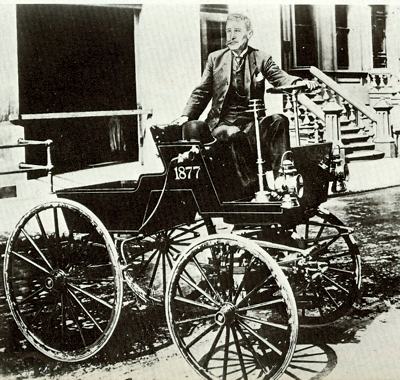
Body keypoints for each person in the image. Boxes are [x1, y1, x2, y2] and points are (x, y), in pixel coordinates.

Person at [172, 13, 318, 187]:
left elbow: (281, 78)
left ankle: (283, 179)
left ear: (249, 34)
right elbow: (202, 91)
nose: (231, 36)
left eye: (237, 31)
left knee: (280, 120)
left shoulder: (261, 58)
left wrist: (300, 82)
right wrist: (186, 115)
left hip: (252, 124)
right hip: (222, 125)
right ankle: (252, 186)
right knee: (232, 133)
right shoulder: (215, 58)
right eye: (228, 31)